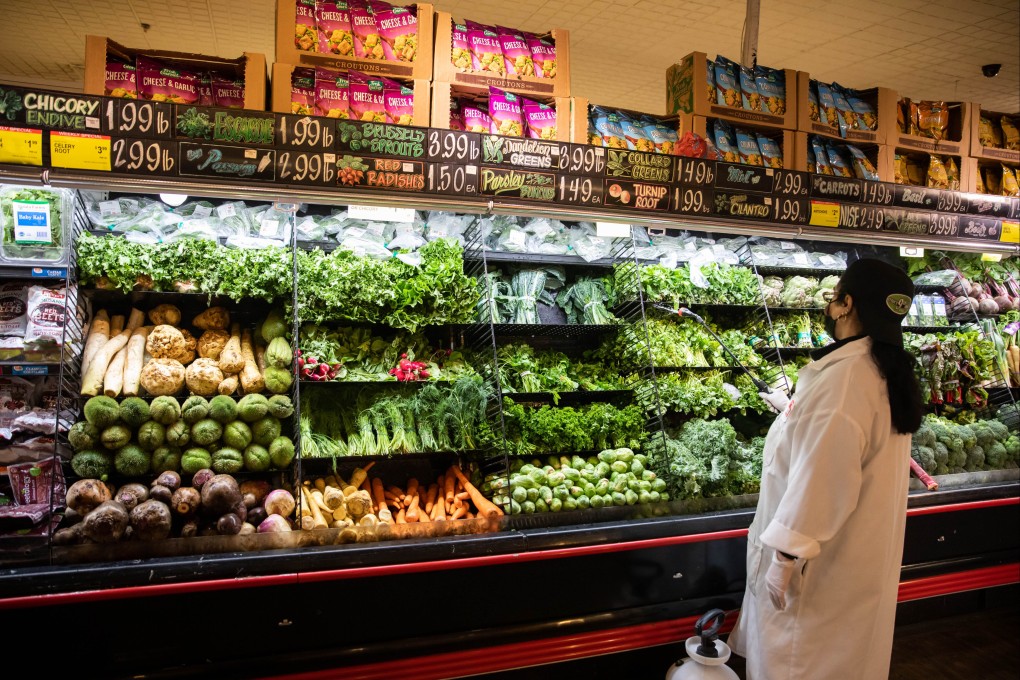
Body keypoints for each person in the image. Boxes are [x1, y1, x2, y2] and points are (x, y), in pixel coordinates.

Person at [728, 258, 924, 680]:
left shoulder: (846, 379)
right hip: (856, 566)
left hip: (817, 575)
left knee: (802, 662)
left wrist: (784, 558)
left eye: (834, 297)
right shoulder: (881, 369)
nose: (831, 306)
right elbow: (839, 442)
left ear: (846, 304)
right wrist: (793, 413)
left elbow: (823, 479)